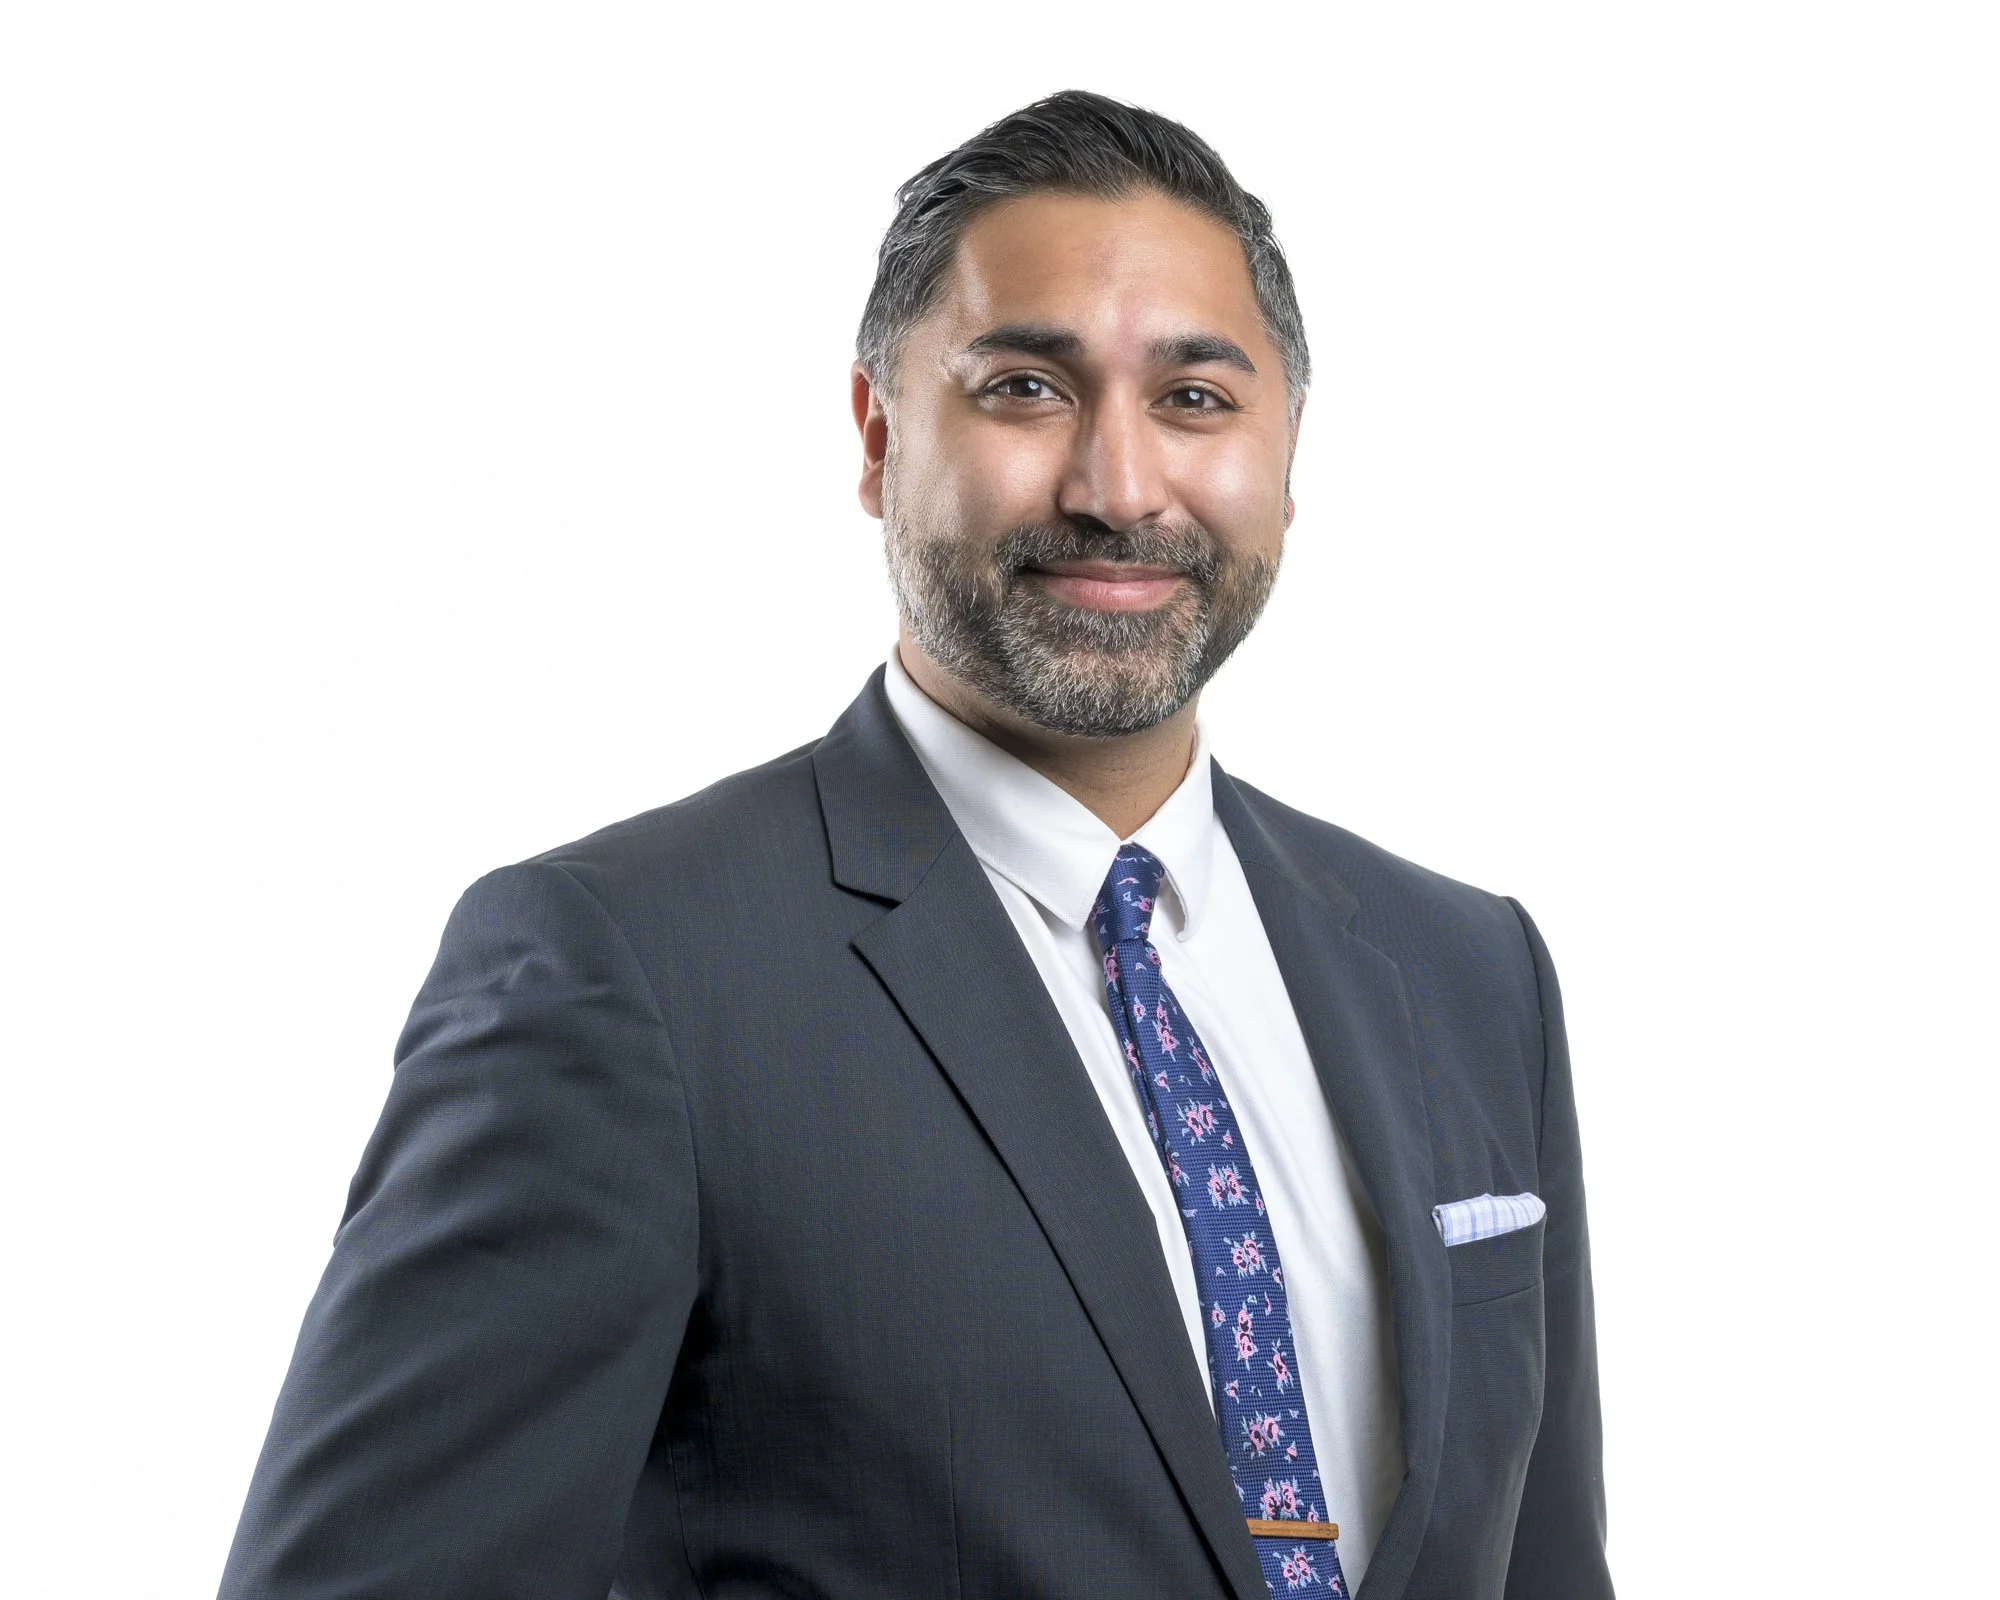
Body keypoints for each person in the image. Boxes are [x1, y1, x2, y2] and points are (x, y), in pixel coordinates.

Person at [219, 90, 1613, 1600]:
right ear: (881, 439)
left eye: (1196, 400)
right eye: (1026, 388)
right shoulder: (627, 976)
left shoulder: (1469, 974)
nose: (1118, 485)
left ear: (1285, 452)